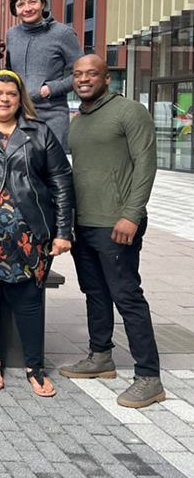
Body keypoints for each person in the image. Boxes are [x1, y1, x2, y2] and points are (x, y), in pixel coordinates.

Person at [0, 70, 74, 398]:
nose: (4, 99)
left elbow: (61, 183)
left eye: (11, 93)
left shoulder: (39, 132)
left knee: (28, 299)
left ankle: (34, 367)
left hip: (30, 233)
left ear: (19, 97)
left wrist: (63, 231)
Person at [60, 54, 164, 409]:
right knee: (95, 292)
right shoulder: (79, 120)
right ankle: (100, 356)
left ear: (107, 78)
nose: (83, 79)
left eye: (92, 73)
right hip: (85, 222)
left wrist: (132, 215)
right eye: (77, 74)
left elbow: (145, 164)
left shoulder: (129, 112)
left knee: (127, 296)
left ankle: (149, 376)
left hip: (117, 223)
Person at [5, 0, 84, 151]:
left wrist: (51, 89)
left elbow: (82, 73)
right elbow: (9, 72)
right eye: (20, 4)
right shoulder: (12, 35)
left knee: (53, 171)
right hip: (19, 116)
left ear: (42, 2)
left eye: (32, 1)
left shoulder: (63, 33)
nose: (27, 8)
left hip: (52, 116)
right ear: (15, 10)